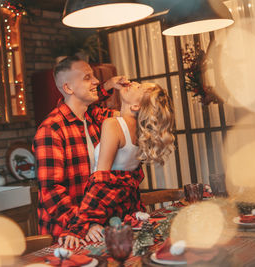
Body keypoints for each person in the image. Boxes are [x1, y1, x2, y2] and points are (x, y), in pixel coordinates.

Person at [60, 82, 176, 248]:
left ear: (136, 106)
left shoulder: (113, 124)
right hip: (121, 213)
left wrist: (81, 225)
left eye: (139, 87)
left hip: (100, 210)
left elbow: (100, 182)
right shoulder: (140, 130)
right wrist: (108, 85)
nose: (133, 83)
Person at [33, 56, 129, 239]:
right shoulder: (51, 130)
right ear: (68, 88)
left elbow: (125, 116)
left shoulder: (93, 117)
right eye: (87, 77)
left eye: (93, 76)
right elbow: (51, 192)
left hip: (95, 228)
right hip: (66, 236)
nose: (95, 81)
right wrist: (84, 224)